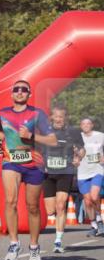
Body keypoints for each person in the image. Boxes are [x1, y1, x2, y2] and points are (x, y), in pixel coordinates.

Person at [0, 79, 57, 260]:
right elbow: (0, 134)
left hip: (34, 163)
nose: (20, 92)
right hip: (11, 161)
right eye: (16, 89)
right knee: (10, 201)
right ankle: (14, 243)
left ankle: (34, 247)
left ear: (29, 94)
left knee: (32, 207)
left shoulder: (37, 114)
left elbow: (53, 140)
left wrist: (31, 136)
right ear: (12, 93)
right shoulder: (3, 113)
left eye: (24, 90)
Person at [42, 106, 84, 252]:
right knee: (50, 210)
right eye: (56, 116)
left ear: (65, 118)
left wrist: (79, 157)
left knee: (61, 205)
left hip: (65, 171)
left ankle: (58, 241)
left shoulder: (73, 132)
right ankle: (56, 221)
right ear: (51, 117)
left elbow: (81, 149)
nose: (59, 119)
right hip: (48, 173)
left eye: (62, 116)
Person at [77, 117, 104, 236]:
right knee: (87, 202)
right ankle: (93, 225)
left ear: (92, 125)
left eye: (88, 123)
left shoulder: (100, 136)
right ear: (81, 126)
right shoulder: (77, 137)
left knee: (94, 197)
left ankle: (99, 219)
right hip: (82, 173)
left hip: (98, 170)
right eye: (84, 123)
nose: (86, 125)